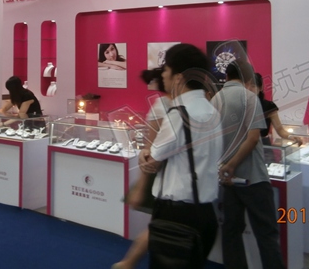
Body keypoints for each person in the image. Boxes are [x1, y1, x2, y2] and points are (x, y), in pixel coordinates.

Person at [135, 44, 223, 268]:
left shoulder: (179, 113)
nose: (162, 75)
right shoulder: (210, 110)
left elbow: (152, 160)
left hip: (176, 214)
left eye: (166, 69)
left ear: (179, 77)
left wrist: (144, 153)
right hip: (205, 210)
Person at [213, 59, 284, 269]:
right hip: (253, 178)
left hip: (228, 180)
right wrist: (233, 164)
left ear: (227, 76)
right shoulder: (249, 98)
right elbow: (253, 139)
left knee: (231, 232)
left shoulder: (215, 100)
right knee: (266, 234)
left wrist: (226, 167)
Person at [113, 68, 171, 269]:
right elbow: (150, 148)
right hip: (163, 172)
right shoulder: (162, 106)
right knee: (160, 222)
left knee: (161, 223)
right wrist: (142, 184)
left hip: (169, 171)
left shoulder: (168, 105)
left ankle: (129, 262)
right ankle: (129, 262)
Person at [249, 73, 300, 145]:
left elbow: (280, 130)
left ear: (260, 88)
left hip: (263, 145)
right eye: (246, 86)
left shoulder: (269, 106)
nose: (249, 89)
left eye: (253, 86)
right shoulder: (237, 105)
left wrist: (291, 137)